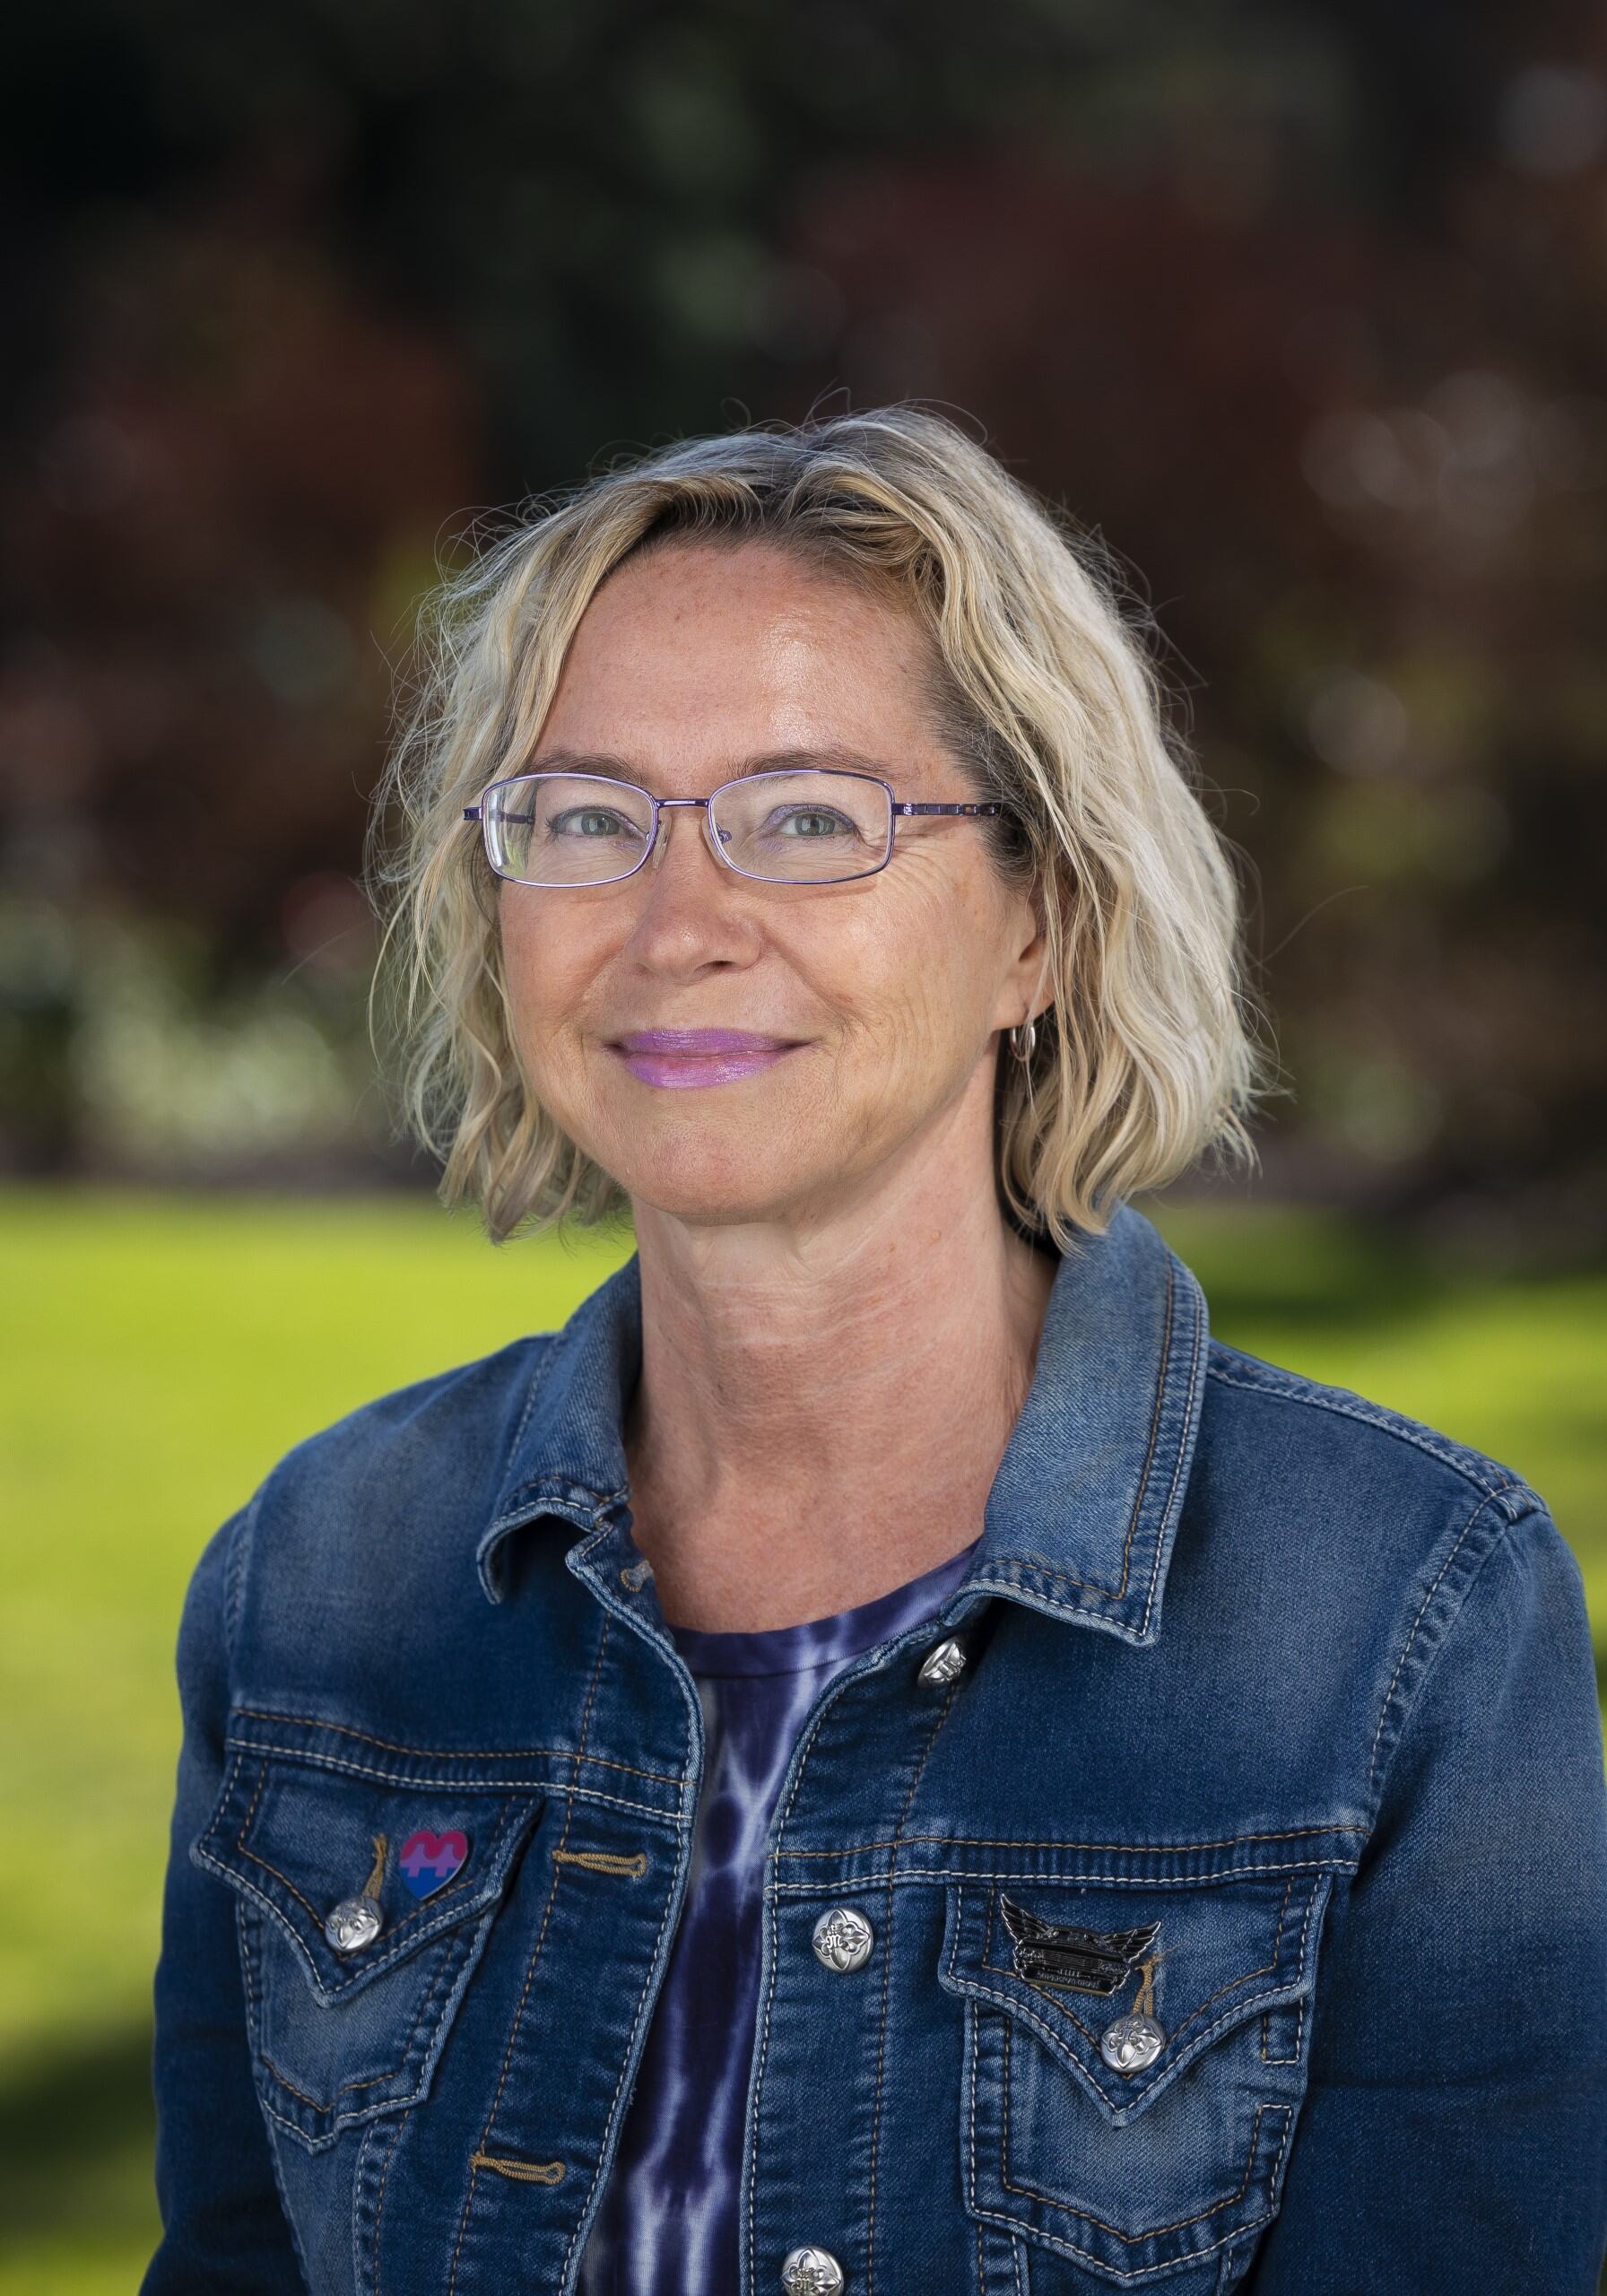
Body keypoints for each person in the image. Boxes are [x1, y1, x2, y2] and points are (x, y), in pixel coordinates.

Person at [141, 406, 1607, 2296]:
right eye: (586, 818)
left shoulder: (1401, 1620)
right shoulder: (315, 1578)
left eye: (809, 818)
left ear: (1039, 922)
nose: (676, 926)